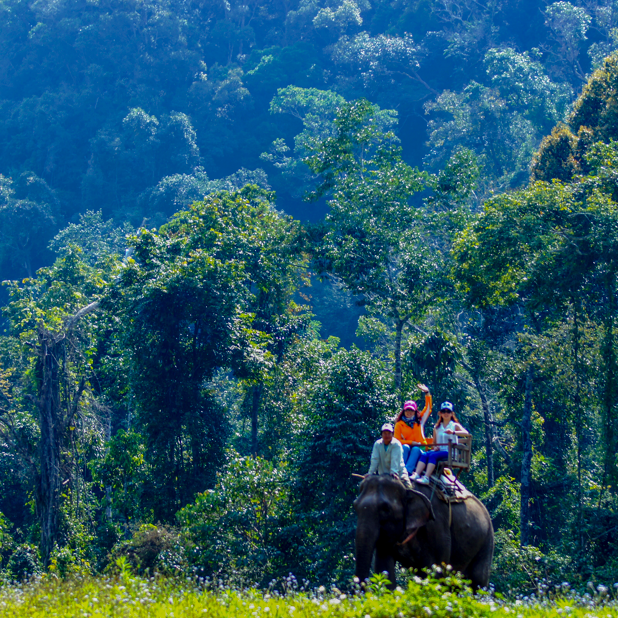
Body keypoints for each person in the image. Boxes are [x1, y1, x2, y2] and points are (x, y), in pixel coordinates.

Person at [412, 401, 469, 484]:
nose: (446, 413)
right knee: (425, 454)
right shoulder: (437, 427)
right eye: (444, 411)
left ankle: (426, 477)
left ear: (451, 413)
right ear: (440, 413)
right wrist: (435, 447)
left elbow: (466, 433)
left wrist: (453, 432)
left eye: (448, 411)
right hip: (440, 451)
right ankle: (417, 474)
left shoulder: (454, 425)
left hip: (450, 453)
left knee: (433, 455)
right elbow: (434, 442)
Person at [393, 384, 432, 474]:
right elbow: (397, 440)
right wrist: (411, 442)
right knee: (405, 447)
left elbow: (428, 408)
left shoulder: (420, 420)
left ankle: (407, 472)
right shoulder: (399, 424)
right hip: (406, 448)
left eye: (411, 410)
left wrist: (427, 393)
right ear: (404, 411)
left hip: (420, 448)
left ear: (415, 411)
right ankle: (399, 470)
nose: (409, 412)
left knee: (415, 449)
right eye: (407, 410)